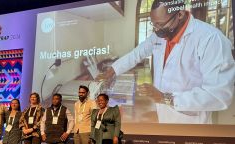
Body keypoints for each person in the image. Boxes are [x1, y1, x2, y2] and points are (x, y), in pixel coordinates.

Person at [98, 0, 235, 124]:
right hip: (163, 116)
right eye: (154, 24)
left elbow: (218, 95)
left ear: (180, 14)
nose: (156, 29)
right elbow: (137, 53)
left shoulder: (211, 39)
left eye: (160, 24)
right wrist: (111, 71)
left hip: (191, 123)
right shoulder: (160, 34)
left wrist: (165, 98)